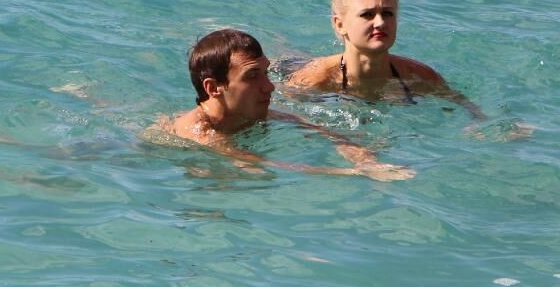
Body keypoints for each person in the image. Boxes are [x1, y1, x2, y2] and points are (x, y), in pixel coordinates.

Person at [142, 28, 414, 181]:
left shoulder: (251, 110)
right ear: (213, 88)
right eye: (252, 76)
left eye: (265, 72)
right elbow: (268, 165)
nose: (269, 86)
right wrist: (352, 173)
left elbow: (320, 131)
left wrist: (365, 158)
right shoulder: (201, 134)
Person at [286, 0, 486, 118]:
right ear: (340, 24)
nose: (380, 22)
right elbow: (288, 117)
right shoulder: (314, 80)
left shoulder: (420, 76)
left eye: (388, 13)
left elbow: (468, 109)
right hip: (291, 67)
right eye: (367, 14)